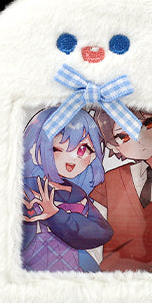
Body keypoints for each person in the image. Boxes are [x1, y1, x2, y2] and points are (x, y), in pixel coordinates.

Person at [22, 108, 113, 272]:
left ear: (93, 156)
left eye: (83, 149)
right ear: (36, 151)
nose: (71, 158)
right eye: (57, 148)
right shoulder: (25, 190)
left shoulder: (78, 196)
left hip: (74, 268)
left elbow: (102, 232)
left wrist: (56, 215)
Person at [90, 110, 152, 272]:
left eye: (147, 124)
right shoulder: (110, 180)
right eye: (123, 136)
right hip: (114, 277)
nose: (138, 138)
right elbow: (93, 242)